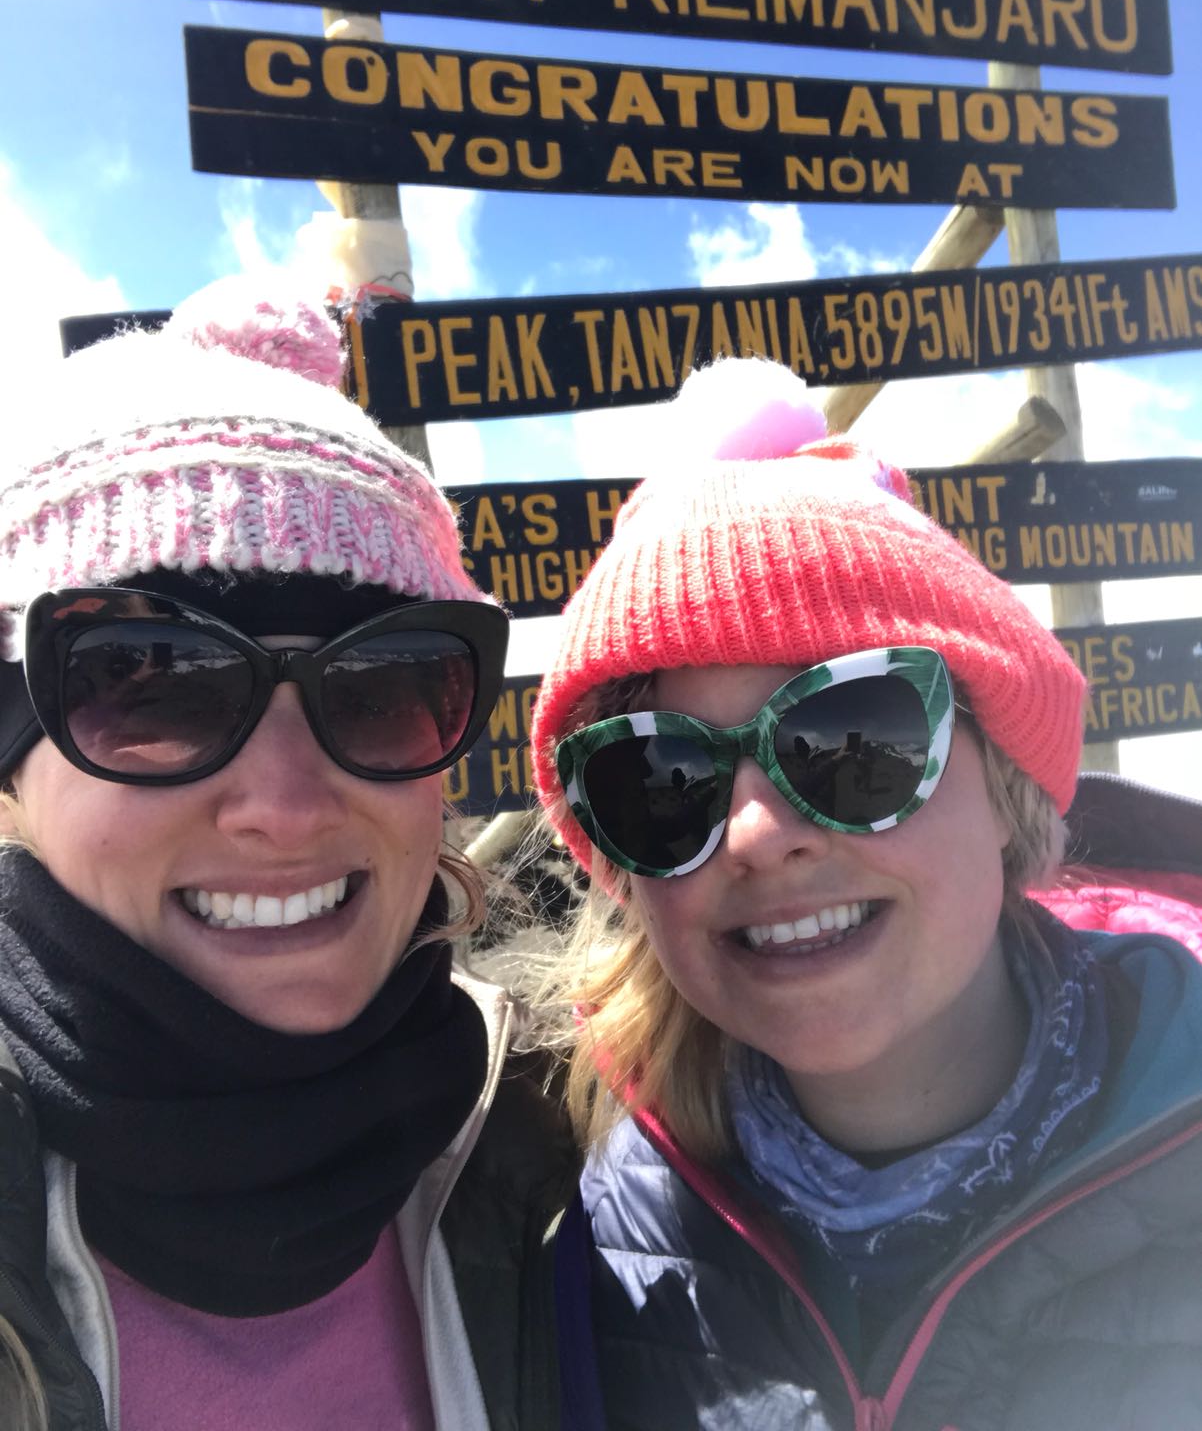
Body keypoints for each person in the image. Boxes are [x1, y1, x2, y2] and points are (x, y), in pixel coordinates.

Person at [528, 355, 1202, 1430]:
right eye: (662, 782)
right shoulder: (586, 1244)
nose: (757, 836)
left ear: (1005, 785)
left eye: (855, 738)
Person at [0, 282, 585, 1431]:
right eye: (151, 685)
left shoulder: (551, 1143)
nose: (284, 805)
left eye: (380, 688)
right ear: (15, 762)